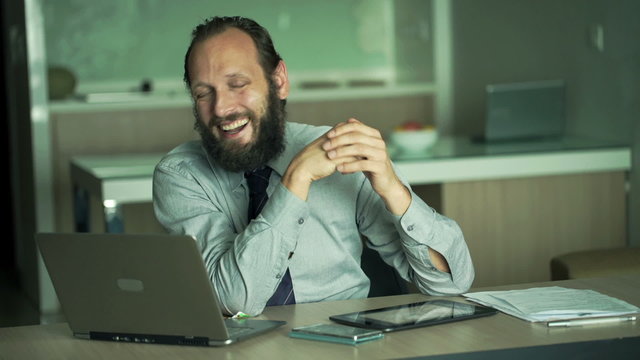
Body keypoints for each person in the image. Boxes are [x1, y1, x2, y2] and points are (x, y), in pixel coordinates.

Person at [153, 16, 474, 316]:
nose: (221, 107)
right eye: (203, 94)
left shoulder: (335, 150)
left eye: (237, 84)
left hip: (348, 343)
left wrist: (393, 189)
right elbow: (236, 300)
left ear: (278, 81)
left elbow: (451, 283)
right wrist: (296, 180)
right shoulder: (182, 176)